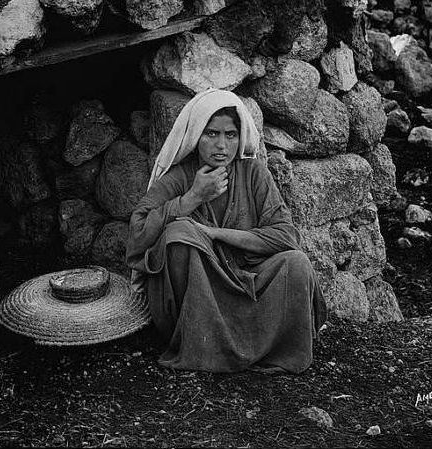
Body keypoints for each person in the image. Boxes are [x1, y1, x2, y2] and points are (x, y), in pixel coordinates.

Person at [125, 88, 327, 374]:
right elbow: (138, 234)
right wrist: (192, 197)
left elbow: (286, 236)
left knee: (297, 264)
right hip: (199, 297)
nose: (221, 145)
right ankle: (203, 348)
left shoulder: (254, 173)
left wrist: (216, 234)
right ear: (196, 136)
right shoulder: (180, 177)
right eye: (211, 134)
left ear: (240, 136)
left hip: (247, 280)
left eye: (230, 135)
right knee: (179, 235)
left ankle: (273, 352)